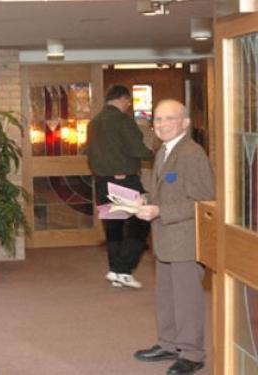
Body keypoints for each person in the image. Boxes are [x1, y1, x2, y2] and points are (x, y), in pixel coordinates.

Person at [134, 99, 214, 375]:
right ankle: (169, 344)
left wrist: (160, 210)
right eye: (157, 119)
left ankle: (192, 354)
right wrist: (146, 199)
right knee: (166, 297)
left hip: (185, 240)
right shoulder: (165, 150)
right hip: (166, 239)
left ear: (185, 122)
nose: (162, 125)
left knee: (187, 299)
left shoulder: (192, 153)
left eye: (170, 119)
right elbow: (168, 190)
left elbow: (205, 200)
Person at [87, 85, 153, 288]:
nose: (128, 106)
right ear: (123, 99)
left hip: (102, 181)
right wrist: (158, 155)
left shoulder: (93, 122)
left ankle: (116, 271)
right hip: (123, 181)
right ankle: (123, 269)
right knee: (140, 224)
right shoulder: (123, 121)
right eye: (128, 102)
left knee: (114, 227)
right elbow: (137, 149)